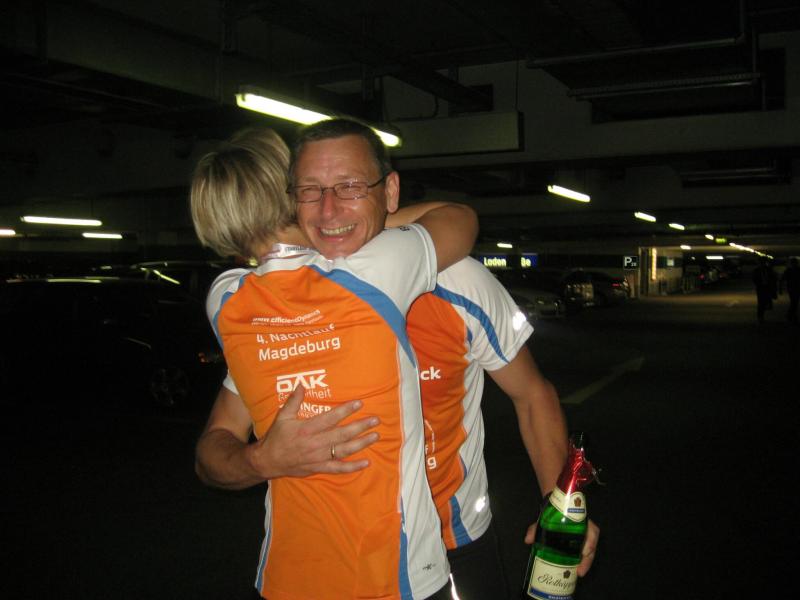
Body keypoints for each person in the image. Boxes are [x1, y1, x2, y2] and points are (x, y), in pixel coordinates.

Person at [193, 123, 599, 599]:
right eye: (311, 191)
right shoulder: (275, 317)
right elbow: (213, 450)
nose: (329, 211)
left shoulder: (459, 281)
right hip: (334, 566)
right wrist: (259, 459)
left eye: (350, 187)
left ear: (388, 192)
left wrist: (561, 505)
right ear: (290, 202)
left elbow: (532, 394)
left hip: (451, 541)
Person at [192, 121, 478, 599]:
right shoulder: (377, 272)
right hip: (396, 581)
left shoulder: (226, 301)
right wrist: (367, 216)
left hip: (286, 580)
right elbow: (460, 218)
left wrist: (261, 459)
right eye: (309, 188)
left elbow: (209, 455)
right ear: (289, 197)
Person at [752, 256, 778, 324]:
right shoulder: (757, 270)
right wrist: (758, 283)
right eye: (761, 262)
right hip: (761, 288)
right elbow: (754, 279)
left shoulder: (769, 269)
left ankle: (763, 312)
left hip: (768, 287)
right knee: (761, 302)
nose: (762, 264)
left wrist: (774, 287)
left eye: (763, 262)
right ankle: (760, 317)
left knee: (765, 301)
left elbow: (774, 278)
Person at [780, 257, 800, 323]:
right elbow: (783, 279)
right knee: (795, 302)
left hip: (792, 288)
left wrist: (780, 288)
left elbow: (782, 279)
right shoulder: (796, 270)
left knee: (794, 302)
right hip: (795, 288)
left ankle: (791, 315)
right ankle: (792, 315)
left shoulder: (789, 270)